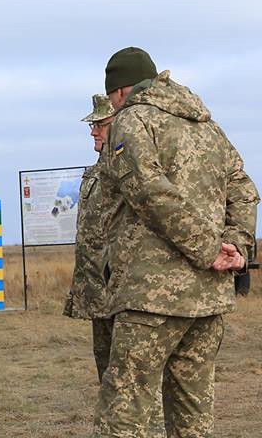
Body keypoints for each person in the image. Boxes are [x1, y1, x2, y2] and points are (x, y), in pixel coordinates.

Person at [95, 47, 259, 437]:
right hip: (208, 299)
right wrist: (235, 246)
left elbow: (151, 193)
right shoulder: (209, 127)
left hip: (152, 295)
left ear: (119, 92)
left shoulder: (131, 121)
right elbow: (245, 190)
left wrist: (208, 250)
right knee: (193, 414)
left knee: (124, 414)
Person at [64, 94, 119, 380]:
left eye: (101, 124)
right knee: (106, 375)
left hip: (122, 293)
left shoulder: (130, 168)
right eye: (93, 125)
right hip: (98, 292)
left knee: (129, 381)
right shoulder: (98, 170)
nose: (93, 131)